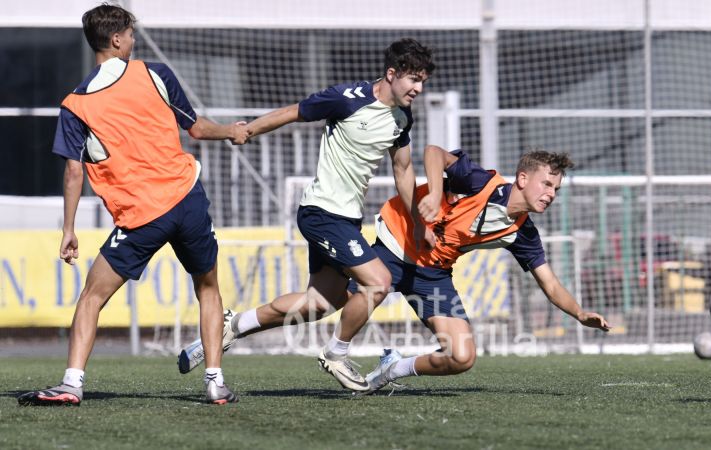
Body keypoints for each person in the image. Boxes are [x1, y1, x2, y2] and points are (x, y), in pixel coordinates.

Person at [179, 145, 611, 394]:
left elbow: (550, 283)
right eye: (546, 184)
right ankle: (314, 347)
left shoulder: (523, 232)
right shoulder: (482, 182)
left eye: (556, 188)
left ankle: (392, 369)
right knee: (320, 305)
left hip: (432, 275)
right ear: (522, 178)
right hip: (395, 242)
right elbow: (433, 154)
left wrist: (579, 314)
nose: (551, 193)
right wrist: (435, 195)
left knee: (462, 357)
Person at [17, 3, 247, 406]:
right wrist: (231, 131)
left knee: (92, 297)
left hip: (142, 215)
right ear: (117, 39)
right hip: (187, 199)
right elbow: (194, 127)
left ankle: (72, 383)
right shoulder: (154, 73)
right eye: (131, 34)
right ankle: (215, 383)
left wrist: (69, 229)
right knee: (208, 288)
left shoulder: (75, 104)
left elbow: (73, 174)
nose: (135, 41)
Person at [189, 38, 435, 391]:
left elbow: (404, 168)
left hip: (347, 218)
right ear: (391, 73)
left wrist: (419, 222)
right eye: (413, 79)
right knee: (378, 282)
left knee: (321, 303)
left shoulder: (402, 118)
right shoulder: (346, 98)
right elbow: (294, 111)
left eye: (423, 81)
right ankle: (336, 353)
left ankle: (235, 325)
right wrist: (247, 130)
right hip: (322, 212)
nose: (418, 88)